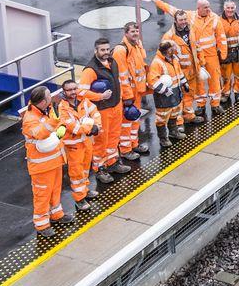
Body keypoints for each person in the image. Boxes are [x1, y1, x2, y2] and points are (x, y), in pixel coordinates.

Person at [154, 0, 227, 110]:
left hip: (211, 55)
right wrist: (155, 0)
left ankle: (215, 104)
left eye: (209, 6)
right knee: (198, 82)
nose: (209, 9)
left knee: (214, 79)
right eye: (205, 7)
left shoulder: (215, 18)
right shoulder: (189, 16)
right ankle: (201, 105)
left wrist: (223, 54)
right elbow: (170, 9)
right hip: (195, 56)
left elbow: (221, 37)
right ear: (198, 8)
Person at [22, 86, 71, 237]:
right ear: (43, 101)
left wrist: (60, 126)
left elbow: (59, 123)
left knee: (56, 190)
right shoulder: (30, 119)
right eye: (49, 96)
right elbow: (41, 134)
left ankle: (56, 214)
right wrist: (54, 122)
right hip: (41, 166)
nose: (52, 97)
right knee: (42, 195)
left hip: (54, 161)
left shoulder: (47, 109)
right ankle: (42, 225)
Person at [79, 38, 129, 183]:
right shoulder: (90, 70)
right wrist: (100, 96)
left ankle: (112, 162)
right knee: (101, 140)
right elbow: (81, 92)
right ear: (96, 51)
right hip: (102, 110)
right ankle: (100, 168)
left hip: (115, 106)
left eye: (107, 49)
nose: (106, 52)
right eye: (102, 50)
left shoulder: (113, 62)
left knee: (114, 137)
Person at [56, 79, 101, 212]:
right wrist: (90, 128)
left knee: (86, 168)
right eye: (69, 90)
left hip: (85, 141)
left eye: (75, 88)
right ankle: (79, 199)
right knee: (76, 173)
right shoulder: (63, 107)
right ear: (64, 92)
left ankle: (85, 191)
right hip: (73, 145)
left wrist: (97, 125)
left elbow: (95, 112)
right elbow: (73, 127)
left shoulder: (83, 100)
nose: (73, 92)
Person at [112, 22, 148, 161]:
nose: (135, 33)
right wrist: (127, 96)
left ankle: (134, 144)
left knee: (135, 120)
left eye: (136, 31)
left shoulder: (136, 45)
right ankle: (126, 150)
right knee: (126, 123)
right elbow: (122, 76)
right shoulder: (121, 50)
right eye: (132, 31)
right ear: (126, 33)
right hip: (129, 94)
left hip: (137, 91)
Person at [160, 10, 203, 126]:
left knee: (190, 95)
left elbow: (197, 46)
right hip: (179, 73)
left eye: (185, 19)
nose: (183, 22)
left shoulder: (191, 30)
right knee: (178, 98)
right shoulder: (169, 37)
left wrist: (201, 62)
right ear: (175, 21)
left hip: (192, 70)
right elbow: (164, 57)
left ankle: (189, 115)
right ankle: (179, 123)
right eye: (181, 20)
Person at [147, 42, 185, 148]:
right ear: (167, 50)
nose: (174, 49)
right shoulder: (157, 63)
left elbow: (179, 73)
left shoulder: (174, 59)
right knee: (162, 118)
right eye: (172, 48)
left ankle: (173, 131)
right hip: (163, 97)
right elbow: (152, 81)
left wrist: (184, 82)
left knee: (174, 113)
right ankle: (163, 138)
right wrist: (165, 91)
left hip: (175, 93)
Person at [219, 0, 239, 104]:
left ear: (234, 8)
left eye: (232, 8)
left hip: (238, 51)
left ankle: (238, 92)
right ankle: (225, 93)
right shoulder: (218, 21)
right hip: (225, 52)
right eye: (228, 8)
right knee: (225, 75)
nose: (230, 10)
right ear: (224, 8)